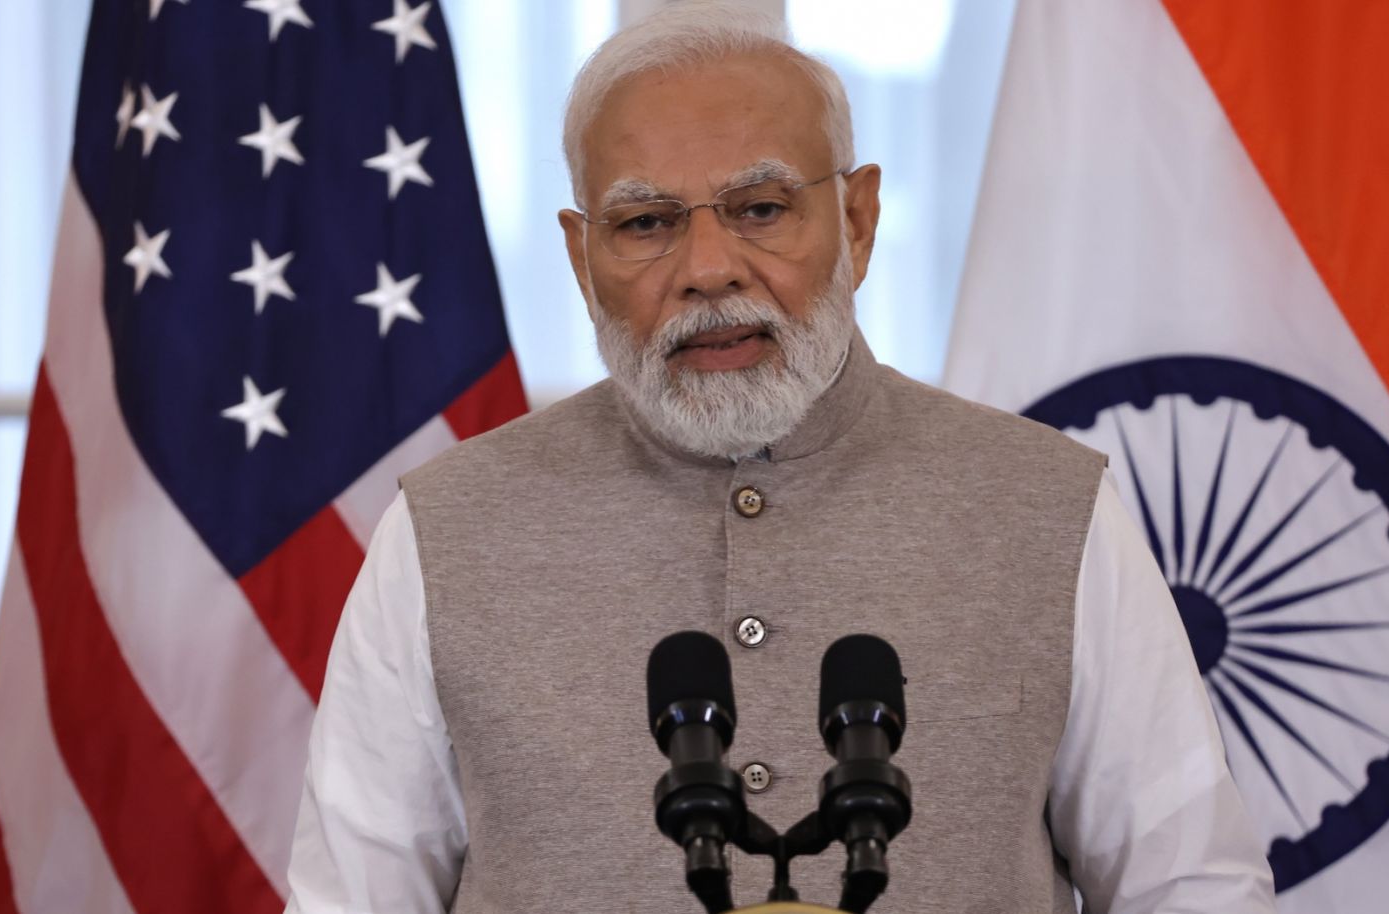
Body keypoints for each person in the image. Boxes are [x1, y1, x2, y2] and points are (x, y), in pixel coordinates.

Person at [283, 3, 1275, 911]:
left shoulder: (1055, 511)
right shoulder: (445, 531)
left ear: (856, 221)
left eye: (759, 207)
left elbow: (1192, 888)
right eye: (646, 223)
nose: (709, 270)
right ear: (584, 258)